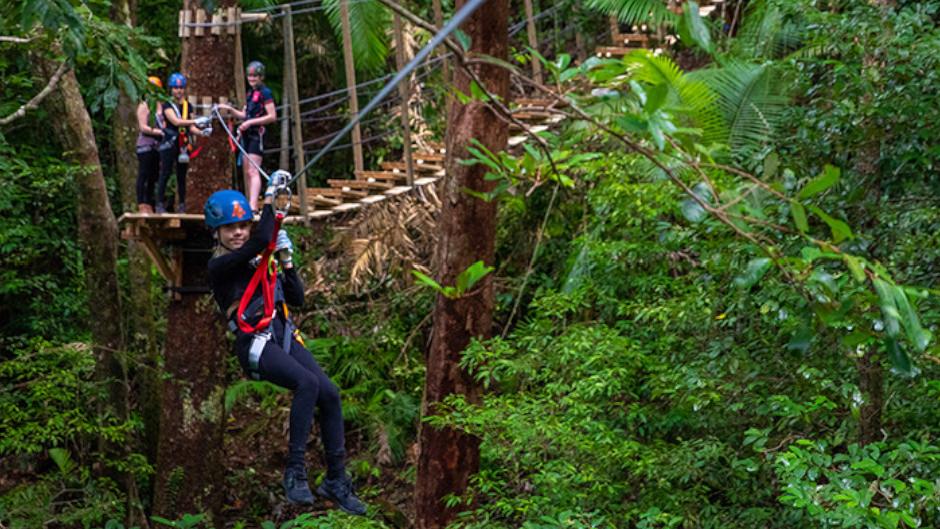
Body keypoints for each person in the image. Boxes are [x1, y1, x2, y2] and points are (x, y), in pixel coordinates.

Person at [204, 185, 367, 515]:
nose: (238, 233)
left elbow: (297, 299)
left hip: (283, 334)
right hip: (255, 343)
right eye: (230, 228)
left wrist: (287, 261)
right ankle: (295, 471)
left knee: (330, 393)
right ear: (217, 232)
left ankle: (336, 479)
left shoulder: (259, 257)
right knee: (306, 384)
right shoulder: (220, 266)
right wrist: (269, 199)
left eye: (242, 226)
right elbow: (262, 237)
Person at [217, 61, 276, 212]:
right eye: (250, 75)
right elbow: (245, 115)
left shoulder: (265, 93)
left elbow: (272, 116)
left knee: (253, 171)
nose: (252, 78)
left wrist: (250, 123)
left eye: (255, 76)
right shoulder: (251, 93)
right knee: (246, 171)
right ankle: (250, 202)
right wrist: (230, 109)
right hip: (247, 135)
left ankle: (253, 205)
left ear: (261, 77)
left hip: (257, 134)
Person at [156, 72, 212, 214]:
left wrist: (201, 132)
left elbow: (191, 128)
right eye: (175, 88)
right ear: (171, 89)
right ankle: (159, 204)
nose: (178, 91)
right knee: (165, 173)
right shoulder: (167, 105)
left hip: (183, 144)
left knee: (182, 175)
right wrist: (195, 121)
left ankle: (181, 204)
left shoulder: (188, 106)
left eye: (181, 88)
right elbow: (176, 121)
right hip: (169, 142)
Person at [135, 76, 165, 214]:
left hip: (158, 146)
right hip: (145, 145)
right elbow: (143, 127)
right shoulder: (144, 105)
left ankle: (150, 202)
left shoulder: (162, 106)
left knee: (154, 175)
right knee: (144, 173)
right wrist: (159, 132)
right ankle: (142, 203)